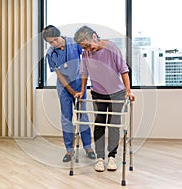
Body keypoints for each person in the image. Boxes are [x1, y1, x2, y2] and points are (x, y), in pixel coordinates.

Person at [74, 26, 135, 172]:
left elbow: (123, 70)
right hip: (98, 93)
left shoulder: (112, 48)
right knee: (99, 124)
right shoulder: (86, 53)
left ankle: (112, 157)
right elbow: (84, 72)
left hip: (117, 93)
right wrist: (82, 90)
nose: (88, 49)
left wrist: (128, 91)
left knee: (114, 125)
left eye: (88, 45)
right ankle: (100, 158)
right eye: (84, 47)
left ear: (94, 37)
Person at [42, 25, 96, 162]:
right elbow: (59, 75)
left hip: (78, 83)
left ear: (60, 35)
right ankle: (69, 150)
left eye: (55, 40)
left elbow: (85, 61)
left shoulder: (74, 43)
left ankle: (88, 147)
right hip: (64, 87)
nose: (54, 44)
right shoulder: (50, 54)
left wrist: (81, 87)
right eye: (50, 42)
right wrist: (71, 91)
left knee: (82, 116)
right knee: (66, 118)